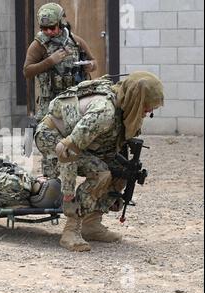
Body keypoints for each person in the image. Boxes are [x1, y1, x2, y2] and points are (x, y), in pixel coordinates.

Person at [34, 71, 164, 251]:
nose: (148, 112)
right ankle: (71, 230)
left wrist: (112, 193)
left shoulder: (123, 105)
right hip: (53, 138)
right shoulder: (104, 113)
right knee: (101, 173)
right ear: (135, 99)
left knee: (120, 171)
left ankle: (91, 224)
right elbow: (67, 151)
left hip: (79, 142)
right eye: (146, 106)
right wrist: (68, 195)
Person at [23, 2, 97, 178]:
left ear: (61, 23)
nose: (48, 32)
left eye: (52, 28)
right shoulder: (38, 45)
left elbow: (93, 62)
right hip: (50, 103)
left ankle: (73, 176)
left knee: (76, 141)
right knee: (48, 142)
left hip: (73, 102)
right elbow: (27, 71)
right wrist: (50, 61)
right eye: (44, 28)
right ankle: (51, 182)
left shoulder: (75, 41)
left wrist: (89, 66)